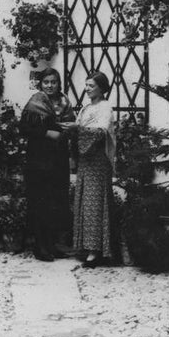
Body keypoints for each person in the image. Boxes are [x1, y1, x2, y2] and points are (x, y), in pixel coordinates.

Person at [19, 67, 75, 261]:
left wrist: (66, 132)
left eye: (54, 82)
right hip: (39, 158)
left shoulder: (64, 102)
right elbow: (24, 128)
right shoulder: (36, 101)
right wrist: (46, 133)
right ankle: (40, 247)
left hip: (59, 158)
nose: (50, 86)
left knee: (56, 201)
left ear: (59, 83)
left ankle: (52, 245)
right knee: (40, 201)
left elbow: (71, 124)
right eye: (46, 82)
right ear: (40, 84)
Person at [62, 71, 117, 267]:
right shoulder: (86, 107)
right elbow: (80, 128)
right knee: (83, 201)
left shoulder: (105, 108)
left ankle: (96, 250)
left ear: (102, 88)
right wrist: (73, 129)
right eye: (86, 85)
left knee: (95, 202)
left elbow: (101, 132)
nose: (87, 89)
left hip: (97, 160)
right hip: (86, 160)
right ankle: (85, 246)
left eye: (91, 86)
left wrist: (77, 130)